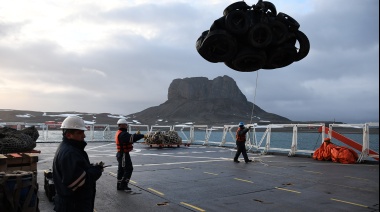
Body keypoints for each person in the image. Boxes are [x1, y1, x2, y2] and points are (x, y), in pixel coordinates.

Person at [52, 116, 104, 212]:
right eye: (80, 133)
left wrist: (89, 167)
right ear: (68, 135)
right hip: (74, 206)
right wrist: (97, 170)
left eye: (83, 132)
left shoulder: (69, 148)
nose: (84, 136)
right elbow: (77, 183)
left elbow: (74, 171)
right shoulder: (70, 153)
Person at [115, 118, 146, 191]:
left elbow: (130, 137)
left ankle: (119, 185)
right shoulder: (123, 134)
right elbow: (131, 138)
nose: (127, 126)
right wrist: (142, 136)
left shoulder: (120, 133)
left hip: (121, 154)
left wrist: (136, 134)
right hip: (123, 155)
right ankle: (123, 185)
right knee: (128, 169)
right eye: (126, 124)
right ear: (122, 125)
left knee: (121, 170)